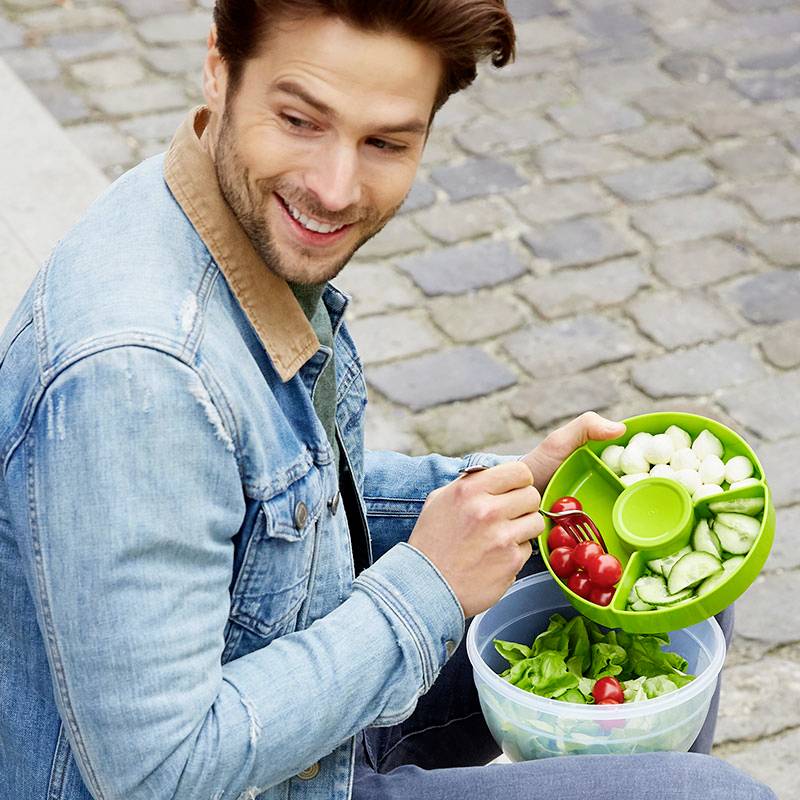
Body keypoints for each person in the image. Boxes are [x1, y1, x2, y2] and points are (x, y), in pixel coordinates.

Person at [0, 2, 775, 799]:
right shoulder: (138, 377)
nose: (334, 189)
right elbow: (157, 774)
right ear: (218, 69)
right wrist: (433, 585)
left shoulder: (217, 209)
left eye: (385, 143)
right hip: (211, 775)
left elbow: (269, 502)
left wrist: (503, 494)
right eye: (301, 120)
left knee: (667, 600)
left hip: (279, 715)